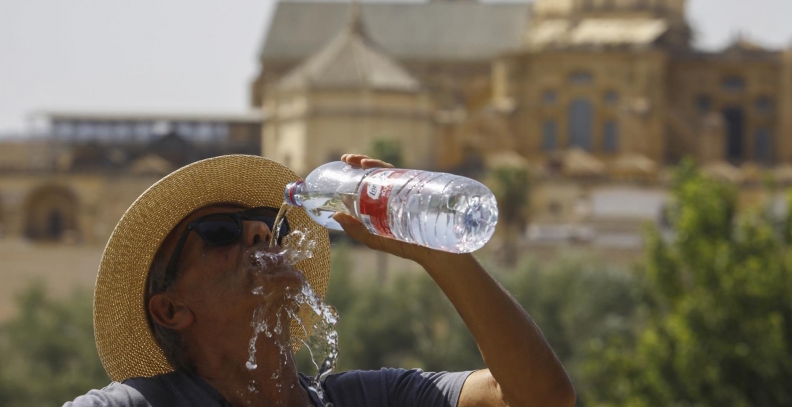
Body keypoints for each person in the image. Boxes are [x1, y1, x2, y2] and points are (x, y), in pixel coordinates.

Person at [65, 154, 575, 407]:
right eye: (219, 232)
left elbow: (539, 399)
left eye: (266, 222)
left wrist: (438, 253)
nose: (263, 232)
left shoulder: (371, 399)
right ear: (171, 309)